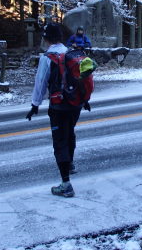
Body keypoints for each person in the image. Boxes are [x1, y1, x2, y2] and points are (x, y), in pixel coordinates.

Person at [26, 23, 89, 198]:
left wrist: (35, 105)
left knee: (59, 140)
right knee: (70, 134)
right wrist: (85, 100)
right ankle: (69, 164)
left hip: (58, 105)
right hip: (75, 103)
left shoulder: (47, 57)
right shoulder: (71, 53)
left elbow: (41, 83)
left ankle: (66, 184)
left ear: (46, 39)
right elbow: (82, 78)